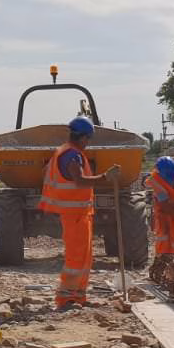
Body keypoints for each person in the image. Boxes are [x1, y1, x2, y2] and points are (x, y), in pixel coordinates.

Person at [39, 116, 120, 310]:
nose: (88, 143)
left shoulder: (69, 152)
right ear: (83, 137)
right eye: (88, 139)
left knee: (84, 258)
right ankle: (66, 298)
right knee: (76, 259)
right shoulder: (71, 155)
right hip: (74, 214)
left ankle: (78, 296)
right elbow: (79, 180)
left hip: (80, 213)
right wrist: (105, 177)